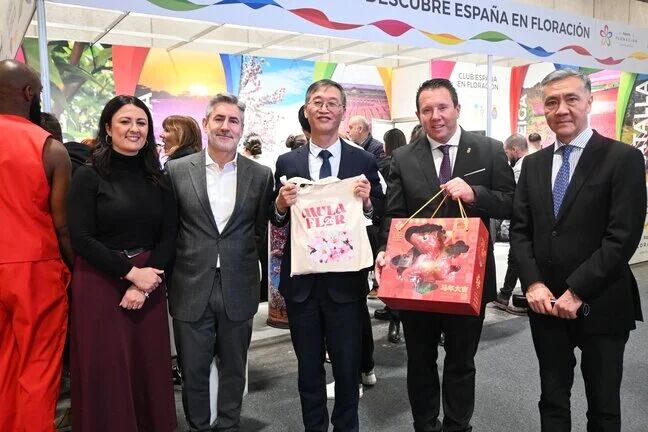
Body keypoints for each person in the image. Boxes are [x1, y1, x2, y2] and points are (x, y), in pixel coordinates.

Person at [375, 78, 515, 432]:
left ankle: (457, 425)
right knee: (420, 360)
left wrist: (475, 193)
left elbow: (512, 203)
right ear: (419, 115)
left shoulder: (488, 149)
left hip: (468, 279)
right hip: (418, 279)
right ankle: (425, 424)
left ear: (457, 109)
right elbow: (394, 214)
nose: (435, 116)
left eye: (442, 107)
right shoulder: (403, 158)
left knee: (461, 361)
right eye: (427, 110)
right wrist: (384, 250)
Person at [511, 69, 646, 432]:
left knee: (603, 408)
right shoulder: (533, 165)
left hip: (601, 300)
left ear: (589, 101)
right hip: (545, 303)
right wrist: (533, 283)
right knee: (552, 400)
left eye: (571, 99)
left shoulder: (623, 158)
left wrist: (578, 290)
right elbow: (521, 232)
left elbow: (622, 237)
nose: (562, 109)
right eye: (552, 102)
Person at [271, 79, 383, 432]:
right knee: (308, 369)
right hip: (301, 285)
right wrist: (279, 204)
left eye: (332, 102)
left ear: (343, 111)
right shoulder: (286, 161)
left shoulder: (362, 159)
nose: (324, 108)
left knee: (348, 368)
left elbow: (379, 214)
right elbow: (275, 218)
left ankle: (347, 427)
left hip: (345, 284)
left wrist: (367, 201)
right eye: (317, 102)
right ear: (306, 110)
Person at [67, 95, 177, 432]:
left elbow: (169, 236)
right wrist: (130, 274)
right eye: (125, 121)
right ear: (108, 128)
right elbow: (81, 237)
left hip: (149, 282)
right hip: (99, 280)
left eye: (141, 122)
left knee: (148, 365)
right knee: (106, 368)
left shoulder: (159, 178)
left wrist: (144, 284)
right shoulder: (88, 176)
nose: (134, 129)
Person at [167, 93, 274, 432]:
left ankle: (229, 425)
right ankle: (198, 425)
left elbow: (260, 231)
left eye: (234, 121)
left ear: (241, 128)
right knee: (193, 369)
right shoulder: (177, 170)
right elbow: (169, 229)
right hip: (189, 283)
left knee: (234, 367)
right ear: (206, 123)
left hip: (238, 283)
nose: (226, 126)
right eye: (219, 119)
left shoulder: (261, 175)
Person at [0, 59, 73, 432]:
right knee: (38, 366)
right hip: (34, 268)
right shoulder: (50, 149)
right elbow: (62, 225)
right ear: (28, 93)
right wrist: (77, 269)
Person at [375, 127, 408, 343]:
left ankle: (394, 320)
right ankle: (395, 319)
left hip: (397, 223)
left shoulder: (384, 163)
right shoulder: (396, 162)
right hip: (399, 222)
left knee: (399, 272)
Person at [494, 133, 529, 315]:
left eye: (507, 152)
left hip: (523, 222)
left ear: (514, 150)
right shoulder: (536, 162)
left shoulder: (520, 168)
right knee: (516, 257)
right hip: (528, 222)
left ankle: (520, 297)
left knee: (518, 257)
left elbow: (513, 198)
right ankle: (506, 294)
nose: (507, 157)